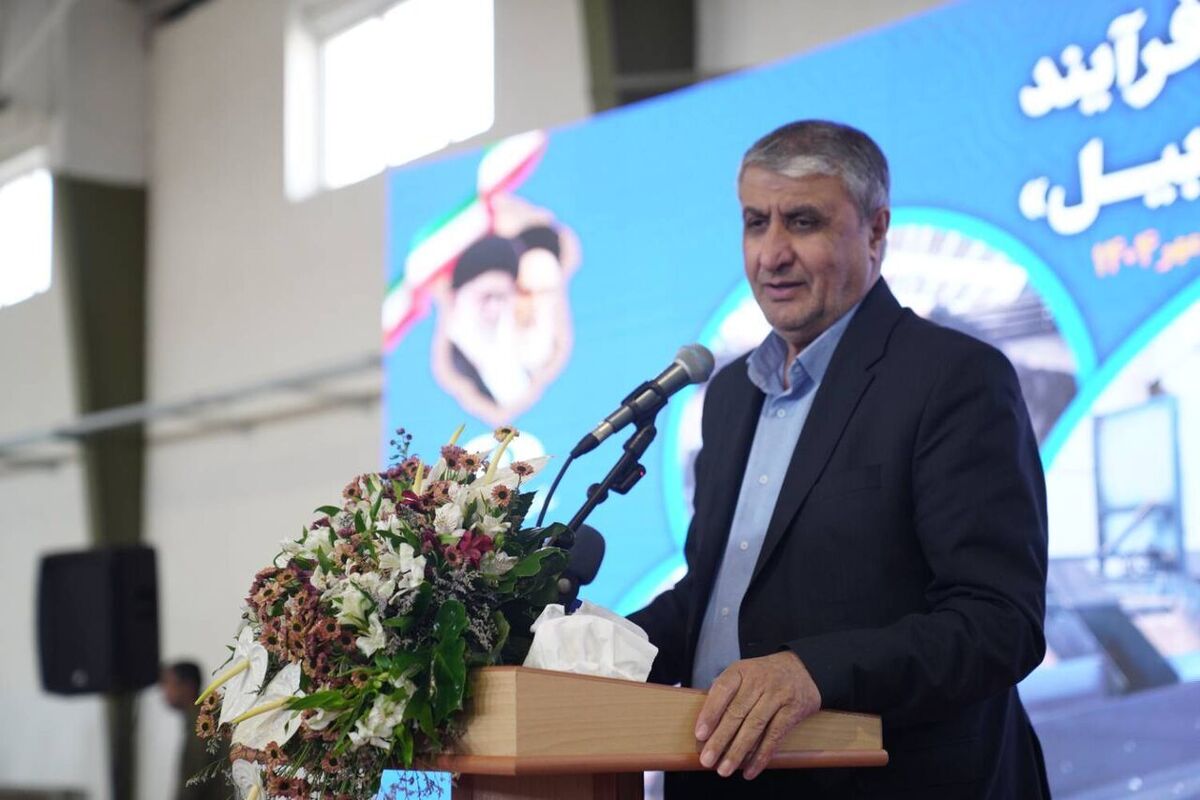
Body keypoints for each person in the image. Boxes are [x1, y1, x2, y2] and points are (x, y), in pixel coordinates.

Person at [628, 120, 1050, 798]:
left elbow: (997, 624)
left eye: (803, 222)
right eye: (755, 222)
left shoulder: (953, 378)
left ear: (876, 231)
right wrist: (584, 651)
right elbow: (716, 604)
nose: (772, 254)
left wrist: (812, 673)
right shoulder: (731, 395)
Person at [161, 661, 226, 800]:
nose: (164, 690)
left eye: (168, 683)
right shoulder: (205, 714)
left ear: (187, 686)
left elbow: (194, 779)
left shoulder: (203, 722)